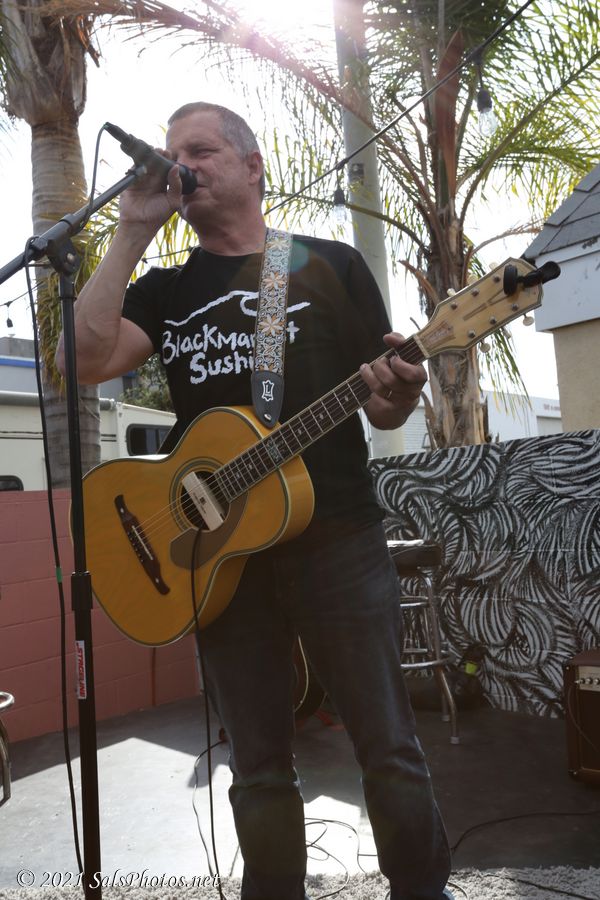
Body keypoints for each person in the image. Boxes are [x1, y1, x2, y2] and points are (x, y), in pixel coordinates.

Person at [56, 102, 453, 900]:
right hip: (217, 558)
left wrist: (401, 392)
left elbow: (383, 407)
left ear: (252, 166)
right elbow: (83, 360)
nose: (181, 163)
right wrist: (133, 228)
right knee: (258, 764)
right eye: (173, 152)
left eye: (200, 149)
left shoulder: (327, 266)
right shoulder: (167, 289)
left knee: (388, 746)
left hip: (337, 537)